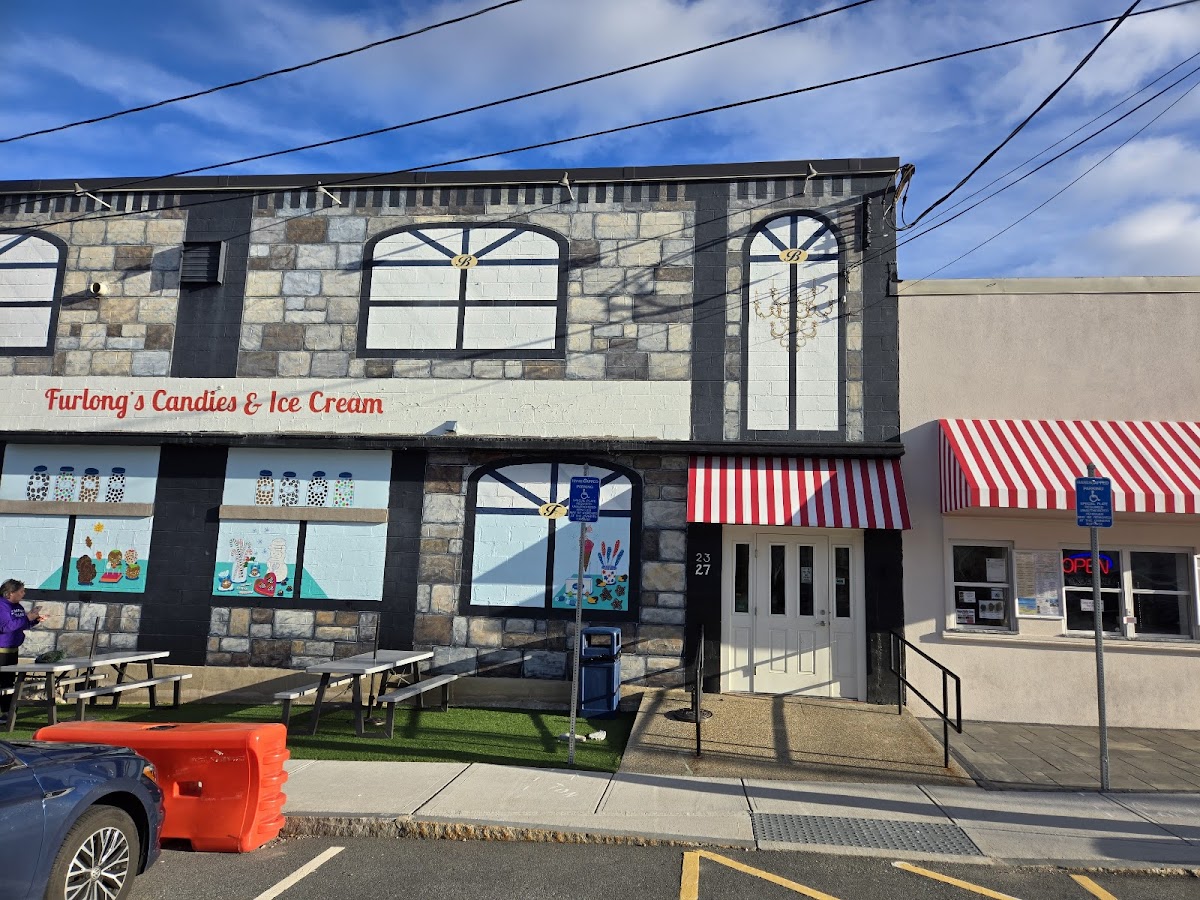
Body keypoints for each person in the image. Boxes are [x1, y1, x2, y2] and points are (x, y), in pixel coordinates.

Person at [0, 579, 43, 724]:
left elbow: (21, 625)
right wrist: (27, 618)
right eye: (21, 591)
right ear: (10, 593)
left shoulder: (17, 606)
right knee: (2, 682)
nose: (23, 594)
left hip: (13, 650)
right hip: (2, 651)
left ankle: (6, 713)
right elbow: (6, 627)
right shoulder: (2, 606)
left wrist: (34, 620)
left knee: (9, 682)